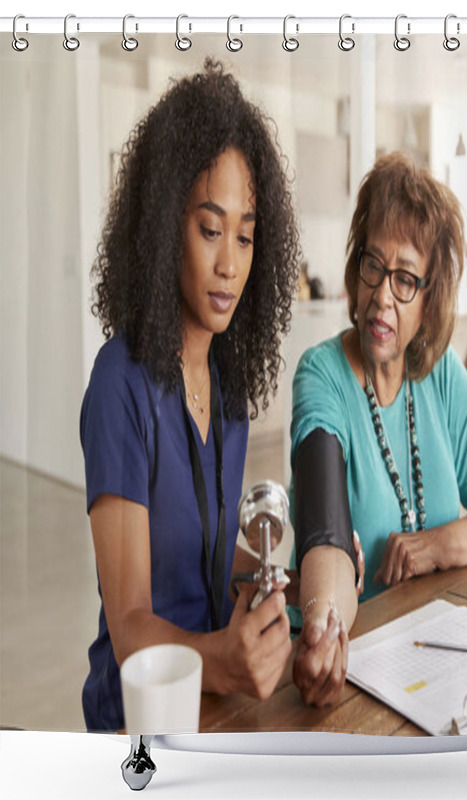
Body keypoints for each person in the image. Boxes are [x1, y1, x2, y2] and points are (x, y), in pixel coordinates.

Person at [80, 60, 300, 732]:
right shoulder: (119, 385)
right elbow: (131, 629)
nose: (230, 263)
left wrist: (267, 567)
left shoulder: (228, 388)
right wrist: (224, 662)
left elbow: (200, 556)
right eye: (210, 230)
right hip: (140, 719)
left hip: (217, 707)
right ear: (164, 224)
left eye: (245, 234)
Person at [290, 152, 467, 707]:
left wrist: (438, 546)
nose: (383, 294)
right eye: (374, 267)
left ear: (429, 299)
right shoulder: (321, 374)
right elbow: (325, 533)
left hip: (440, 657)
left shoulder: (440, 374)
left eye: (405, 280)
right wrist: (324, 627)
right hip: (355, 665)